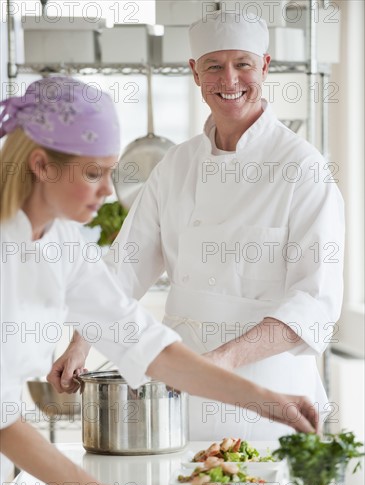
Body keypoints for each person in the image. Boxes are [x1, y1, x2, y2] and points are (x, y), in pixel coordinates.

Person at [0, 75, 318, 485]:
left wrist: (267, 400)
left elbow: (149, 346)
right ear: (41, 165)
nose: (109, 191)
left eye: (111, 172)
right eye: (93, 173)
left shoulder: (63, 243)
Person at [52, 10, 345, 442]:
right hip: (184, 395)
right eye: (214, 66)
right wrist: (81, 341)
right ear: (194, 72)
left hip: (270, 395)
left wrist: (224, 361)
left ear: (265, 66)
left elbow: (314, 301)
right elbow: (126, 264)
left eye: (243, 64)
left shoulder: (304, 168)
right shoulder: (177, 163)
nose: (229, 80)